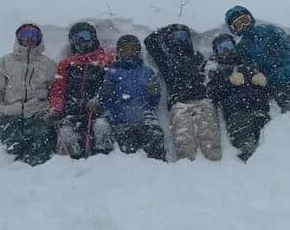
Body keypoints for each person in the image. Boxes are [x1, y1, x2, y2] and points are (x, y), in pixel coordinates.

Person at [225, 6, 290, 124]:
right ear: (233, 29)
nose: (243, 26)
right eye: (238, 25)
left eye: (245, 21)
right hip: (277, 82)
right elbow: (249, 68)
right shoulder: (242, 47)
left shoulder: (269, 30)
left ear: (250, 18)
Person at [0, 23, 58, 165]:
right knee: (11, 150)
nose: (29, 38)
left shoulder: (48, 64)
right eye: (25, 34)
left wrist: (53, 111)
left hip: (38, 113)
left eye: (34, 35)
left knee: (43, 145)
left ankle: (37, 173)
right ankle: (11, 173)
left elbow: (55, 91)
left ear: (39, 39)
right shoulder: (6, 62)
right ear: (18, 38)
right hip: (10, 114)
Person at [144, 24, 221, 161]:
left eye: (183, 36)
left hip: (202, 99)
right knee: (183, 135)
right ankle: (186, 164)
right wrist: (168, 29)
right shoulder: (167, 61)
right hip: (179, 102)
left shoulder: (198, 58)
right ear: (170, 41)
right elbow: (150, 42)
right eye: (176, 37)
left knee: (209, 132)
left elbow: (211, 71)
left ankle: (214, 162)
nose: (180, 40)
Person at [48, 22, 114, 158]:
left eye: (85, 35)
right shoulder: (66, 65)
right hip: (72, 113)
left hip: (97, 112)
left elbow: (111, 86)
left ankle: (104, 160)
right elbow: (58, 90)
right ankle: (70, 163)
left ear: (93, 37)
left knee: (102, 127)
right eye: (77, 38)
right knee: (66, 135)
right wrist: (56, 109)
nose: (82, 41)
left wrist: (99, 101)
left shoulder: (105, 60)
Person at [99, 35, 166, 161]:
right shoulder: (113, 71)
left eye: (133, 49)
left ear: (138, 51)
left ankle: (159, 166)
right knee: (128, 146)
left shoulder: (146, 71)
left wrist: (153, 92)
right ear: (119, 52)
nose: (129, 53)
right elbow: (105, 100)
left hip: (144, 115)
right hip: (121, 116)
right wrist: (110, 100)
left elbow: (154, 101)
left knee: (155, 137)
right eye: (125, 49)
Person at [207, 34, 270, 161]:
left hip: (259, 108)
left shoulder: (248, 64)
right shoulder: (215, 69)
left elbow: (269, 91)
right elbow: (212, 93)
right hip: (237, 112)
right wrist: (228, 82)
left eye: (228, 45)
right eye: (222, 48)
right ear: (216, 52)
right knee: (248, 145)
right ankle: (251, 158)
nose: (226, 50)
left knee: (270, 140)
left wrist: (263, 82)